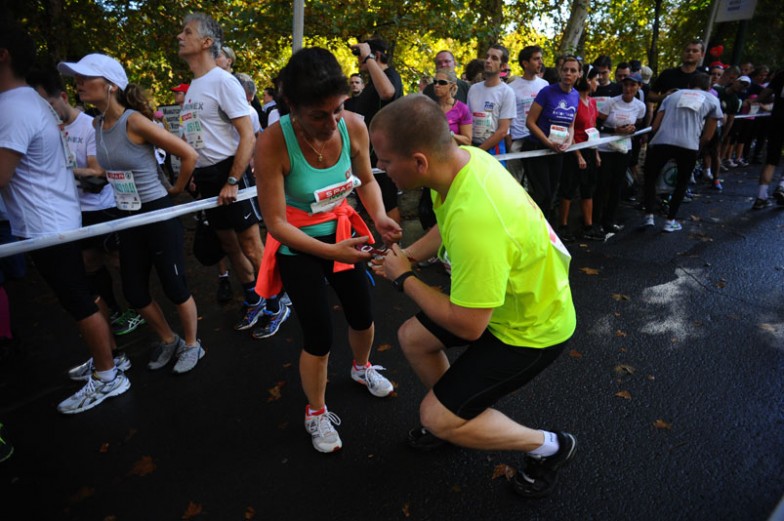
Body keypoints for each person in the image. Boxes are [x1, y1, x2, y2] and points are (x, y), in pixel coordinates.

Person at [369, 94, 577, 499]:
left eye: (386, 160)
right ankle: (457, 417)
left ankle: (550, 446)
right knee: (414, 338)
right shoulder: (463, 163)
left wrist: (403, 277)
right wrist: (409, 255)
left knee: (434, 416)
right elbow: (446, 224)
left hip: (533, 330)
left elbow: (468, 325)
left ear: (419, 162)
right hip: (509, 303)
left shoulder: (476, 219)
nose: (380, 167)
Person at [255, 47, 402, 453]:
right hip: (298, 245)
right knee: (318, 334)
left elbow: (366, 180)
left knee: (362, 313)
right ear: (292, 106)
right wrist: (333, 253)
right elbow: (276, 224)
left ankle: (361, 367)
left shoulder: (354, 125)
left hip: (343, 234)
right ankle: (316, 411)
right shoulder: (272, 143)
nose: (331, 122)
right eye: (318, 115)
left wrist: (378, 216)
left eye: (337, 109)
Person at [0, 24, 130, 414]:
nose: (78, 85)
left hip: (49, 226)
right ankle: (110, 357)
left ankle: (108, 375)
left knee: (78, 299)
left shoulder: (16, 107)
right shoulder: (27, 101)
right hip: (53, 220)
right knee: (83, 294)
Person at [58, 53, 205, 373]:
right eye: (76, 78)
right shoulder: (97, 124)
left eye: (86, 77)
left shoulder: (134, 121)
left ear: (111, 85)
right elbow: (107, 169)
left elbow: (188, 154)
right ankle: (169, 339)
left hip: (156, 213)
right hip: (127, 215)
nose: (78, 83)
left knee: (175, 287)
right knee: (135, 292)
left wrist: (176, 189)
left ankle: (193, 345)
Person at [176, 12, 272, 333]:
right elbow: (196, 136)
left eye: (187, 32)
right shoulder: (194, 86)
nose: (180, 37)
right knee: (229, 245)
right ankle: (253, 298)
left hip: (231, 172)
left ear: (206, 42)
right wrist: (193, 172)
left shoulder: (223, 80)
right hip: (206, 175)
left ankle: (277, 302)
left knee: (251, 245)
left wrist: (232, 179)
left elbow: (248, 135)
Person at [642, 73, 722, 231]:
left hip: (662, 141)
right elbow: (708, 135)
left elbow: (655, 125)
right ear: (708, 87)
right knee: (682, 182)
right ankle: (670, 221)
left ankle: (648, 216)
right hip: (689, 144)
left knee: (650, 178)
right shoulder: (712, 100)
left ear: (689, 85)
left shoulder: (672, 96)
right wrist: (698, 146)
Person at [523, 56, 581, 222]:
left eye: (573, 70)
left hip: (557, 152)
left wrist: (568, 142)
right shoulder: (547, 92)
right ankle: (532, 227)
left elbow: (571, 125)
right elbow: (530, 122)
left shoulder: (575, 95)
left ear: (579, 74)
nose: (568, 73)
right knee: (543, 194)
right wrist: (548, 142)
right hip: (537, 149)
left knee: (551, 195)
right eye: (565, 69)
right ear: (560, 72)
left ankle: (545, 230)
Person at [595, 72, 646, 233]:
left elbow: (638, 124)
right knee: (602, 184)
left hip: (624, 149)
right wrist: (614, 130)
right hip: (605, 148)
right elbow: (597, 125)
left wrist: (632, 129)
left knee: (617, 185)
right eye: (626, 85)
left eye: (632, 85)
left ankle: (610, 220)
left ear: (639, 87)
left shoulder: (640, 106)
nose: (628, 88)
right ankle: (596, 220)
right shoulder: (611, 102)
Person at [557, 64, 604, 242]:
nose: (598, 83)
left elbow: (593, 127)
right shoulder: (574, 101)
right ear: (587, 80)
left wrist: (596, 153)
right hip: (574, 149)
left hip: (590, 150)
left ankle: (588, 226)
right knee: (568, 188)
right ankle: (563, 226)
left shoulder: (592, 102)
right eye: (596, 80)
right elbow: (569, 129)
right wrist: (578, 155)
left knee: (588, 188)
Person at [507, 45, 549, 184]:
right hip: (519, 140)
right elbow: (507, 117)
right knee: (514, 183)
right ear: (525, 63)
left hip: (539, 140)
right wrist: (510, 142)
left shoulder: (545, 85)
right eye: (536, 59)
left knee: (536, 183)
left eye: (541, 58)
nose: (540, 62)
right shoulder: (511, 88)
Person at [466, 44, 516, 160]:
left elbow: (503, 131)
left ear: (503, 66)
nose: (488, 61)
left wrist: (479, 151)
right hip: (473, 145)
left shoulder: (507, 92)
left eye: (494, 58)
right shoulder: (473, 89)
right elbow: (467, 120)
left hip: (494, 148)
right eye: (487, 57)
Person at [750, 69, 784, 209]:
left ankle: (761, 196)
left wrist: (755, 101)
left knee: (771, 160)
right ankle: (782, 186)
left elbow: (766, 93)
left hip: (778, 120)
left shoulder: (781, 75)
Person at [648, 40, 705, 104]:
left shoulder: (702, 79)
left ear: (702, 55)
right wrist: (664, 96)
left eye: (695, 51)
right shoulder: (667, 74)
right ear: (683, 53)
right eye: (687, 50)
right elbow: (650, 96)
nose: (690, 53)